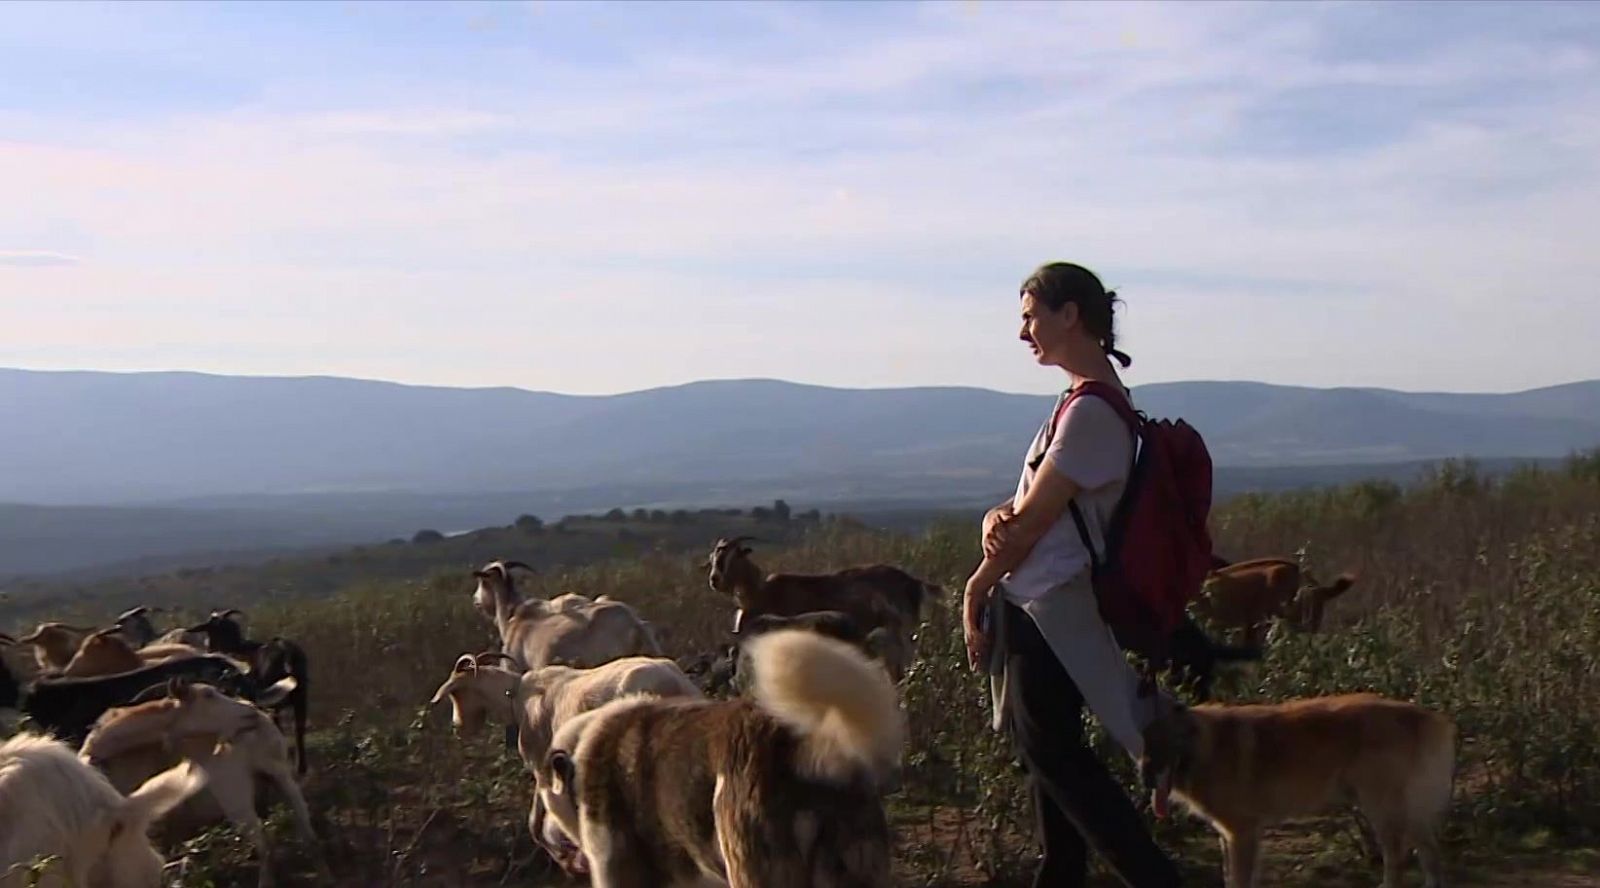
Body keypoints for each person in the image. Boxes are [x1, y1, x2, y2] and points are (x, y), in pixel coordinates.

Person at [963, 262, 1182, 888]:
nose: (1024, 331)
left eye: (1031, 316)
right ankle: (1061, 874)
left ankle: (1154, 878)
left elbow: (1030, 525)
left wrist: (977, 586)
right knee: (1048, 749)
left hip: (1049, 604)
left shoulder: (1090, 412)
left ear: (1070, 315)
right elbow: (1023, 511)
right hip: (1039, 601)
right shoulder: (1081, 404)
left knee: (1053, 753)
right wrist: (993, 517)